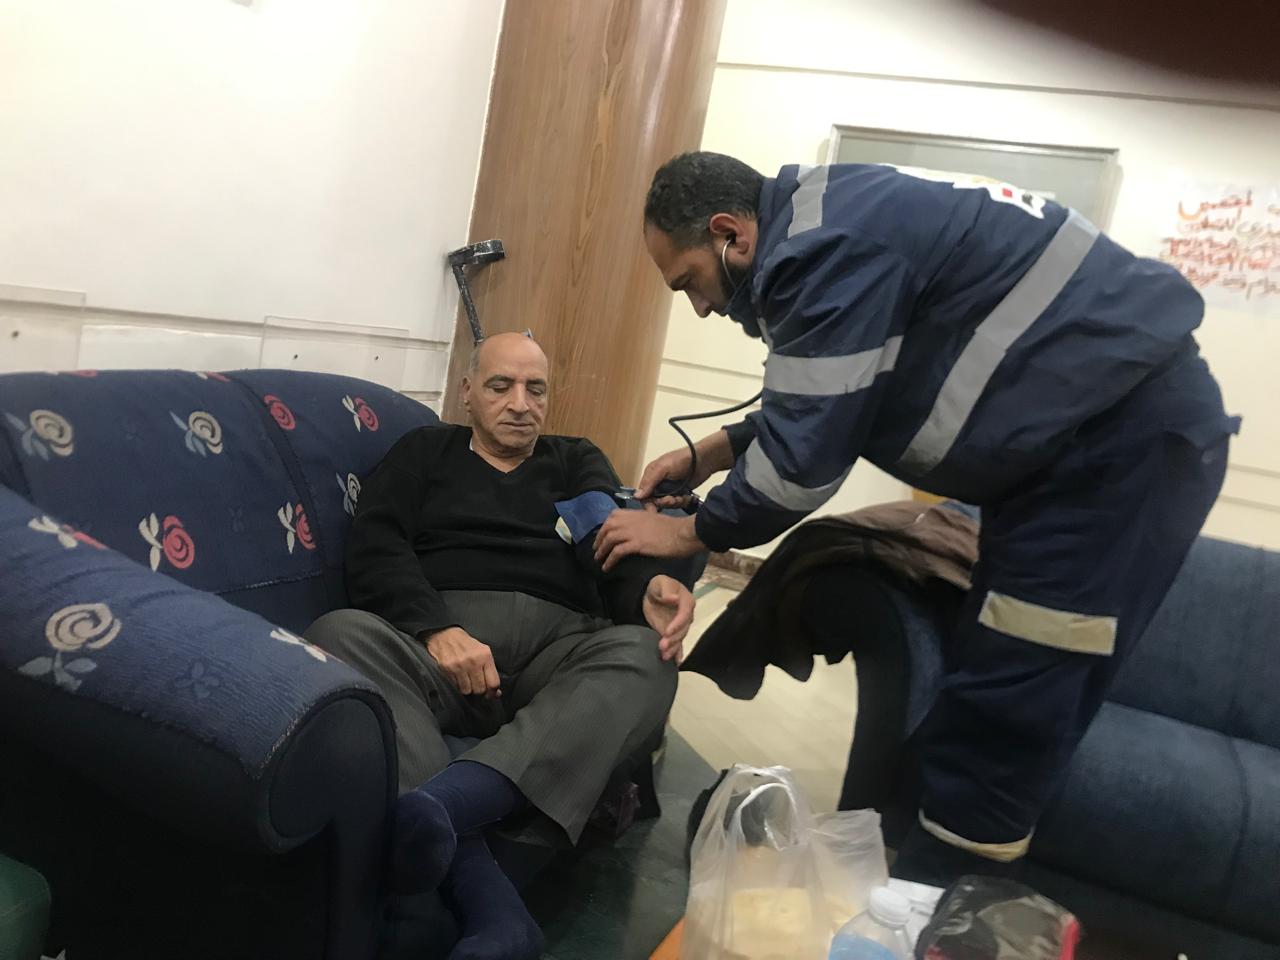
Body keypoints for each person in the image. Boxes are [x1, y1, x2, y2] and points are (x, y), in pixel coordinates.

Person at [594, 151, 1239, 883]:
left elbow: (800, 470)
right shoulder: (830, 214)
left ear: (729, 234)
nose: (702, 308)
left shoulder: (819, 252)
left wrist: (688, 530)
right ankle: (904, 876)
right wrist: (717, 449)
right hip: (1070, 457)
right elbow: (849, 386)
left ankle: (936, 906)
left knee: (1015, 699)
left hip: (1113, 456)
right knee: (987, 666)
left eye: (689, 282)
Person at [305, 332, 692, 960]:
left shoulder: (574, 460)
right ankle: (495, 908)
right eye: (500, 386)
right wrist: (436, 629)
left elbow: (610, 542)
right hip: (435, 651)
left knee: (650, 656)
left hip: (555, 654)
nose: (520, 403)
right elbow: (377, 544)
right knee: (339, 634)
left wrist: (646, 589)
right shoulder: (425, 451)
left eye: (535, 389)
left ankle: (444, 807)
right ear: (467, 393)